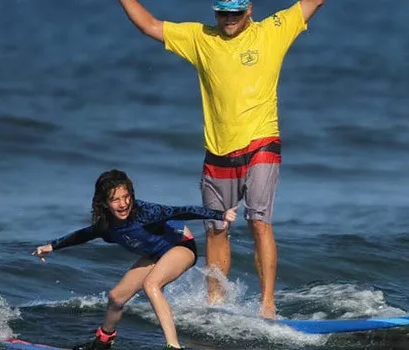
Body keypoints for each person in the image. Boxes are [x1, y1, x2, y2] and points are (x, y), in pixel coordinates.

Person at [115, 0, 325, 319]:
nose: (228, 19)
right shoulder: (200, 38)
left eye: (235, 13)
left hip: (262, 144)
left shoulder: (274, 31)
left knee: (258, 221)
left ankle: (267, 305)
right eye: (222, 13)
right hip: (218, 154)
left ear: (249, 9)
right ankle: (216, 305)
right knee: (216, 228)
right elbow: (149, 25)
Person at [32, 169, 237, 350]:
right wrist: (52, 246)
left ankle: (173, 346)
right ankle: (103, 342)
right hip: (156, 253)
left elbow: (182, 211)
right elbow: (84, 234)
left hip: (181, 245)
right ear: (104, 203)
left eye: (126, 197)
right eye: (115, 199)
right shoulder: (106, 226)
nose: (123, 204)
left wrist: (220, 215)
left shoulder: (145, 213)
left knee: (151, 284)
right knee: (116, 297)